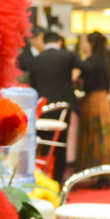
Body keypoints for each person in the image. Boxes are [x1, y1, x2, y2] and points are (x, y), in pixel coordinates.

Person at [28, 29, 79, 181]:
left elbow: (32, 86)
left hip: (41, 109)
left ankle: (36, 176)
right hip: (61, 109)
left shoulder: (36, 60)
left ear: (44, 42)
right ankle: (57, 179)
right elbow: (88, 67)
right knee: (60, 145)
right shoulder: (67, 56)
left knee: (36, 144)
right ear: (59, 42)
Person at [75, 30, 110, 171]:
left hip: (92, 101)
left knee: (93, 137)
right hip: (104, 101)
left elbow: (85, 83)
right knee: (103, 136)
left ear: (91, 43)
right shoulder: (105, 59)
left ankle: (94, 171)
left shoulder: (91, 61)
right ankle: (105, 172)